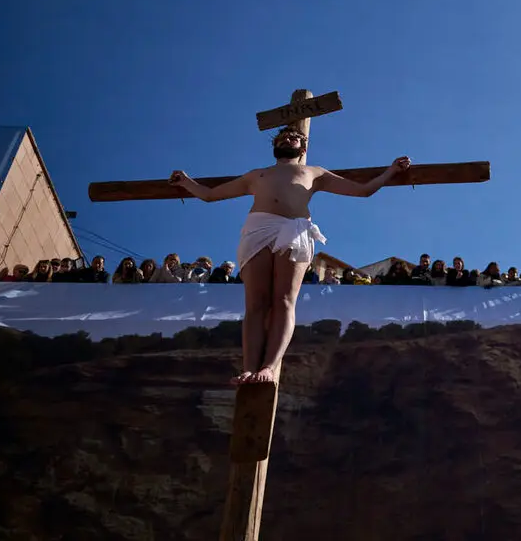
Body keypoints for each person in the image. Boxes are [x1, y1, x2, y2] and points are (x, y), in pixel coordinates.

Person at [170, 127, 410, 385]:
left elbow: (362, 190)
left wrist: (391, 171)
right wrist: (185, 181)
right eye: (281, 137)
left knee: (284, 299)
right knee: (256, 303)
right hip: (258, 229)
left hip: (294, 230)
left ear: (303, 148)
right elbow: (209, 195)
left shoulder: (314, 172)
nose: (287, 139)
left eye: (293, 137)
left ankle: (269, 368)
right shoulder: (256, 175)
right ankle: (249, 368)